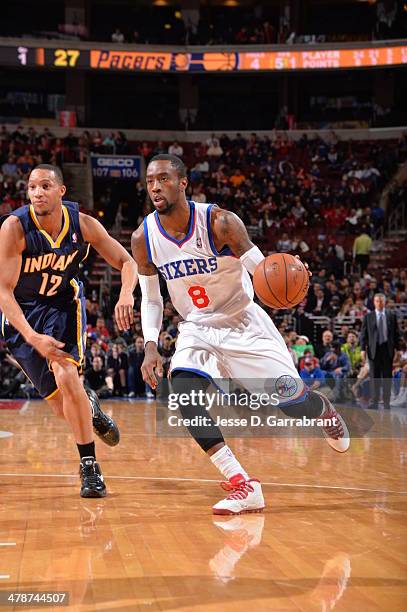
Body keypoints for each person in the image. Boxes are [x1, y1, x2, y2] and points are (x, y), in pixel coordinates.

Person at [131, 154, 350, 516]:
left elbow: (261, 270)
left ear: (183, 183)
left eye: (164, 179)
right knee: (184, 396)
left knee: (292, 404)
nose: (155, 186)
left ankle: (322, 410)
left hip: (242, 321)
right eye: (151, 180)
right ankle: (242, 483)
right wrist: (150, 346)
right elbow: (152, 298)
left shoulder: (220, 222)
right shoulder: (144, 238)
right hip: (198, 327)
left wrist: (291, 274)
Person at [0, 164, 138, 497]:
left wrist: (124, 294)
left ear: (61, 191)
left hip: (62, 307)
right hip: (21, 316)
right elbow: (3, 292)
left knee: (66, 374)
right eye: (32, 187)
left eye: (45, 186)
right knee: (64, 407)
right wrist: (33, 338)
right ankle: (90, 407)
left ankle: (89, 467)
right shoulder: (14, 228)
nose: (37, 193)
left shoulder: (84, 224)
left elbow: (127, 262)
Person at [360, 293, 400, 410]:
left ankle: (387, 402)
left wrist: (397, 349)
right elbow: (363, 335)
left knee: (387, 377)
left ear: (385, 302)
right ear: (374, 302)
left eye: (381, 301)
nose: (379, 303)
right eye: (377, 301)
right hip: (374, 350)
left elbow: (396, 334)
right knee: (374, 377)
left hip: (387, 349)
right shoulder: (368, 316)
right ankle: (375, 402)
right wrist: (363, 349)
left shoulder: (391, 315)